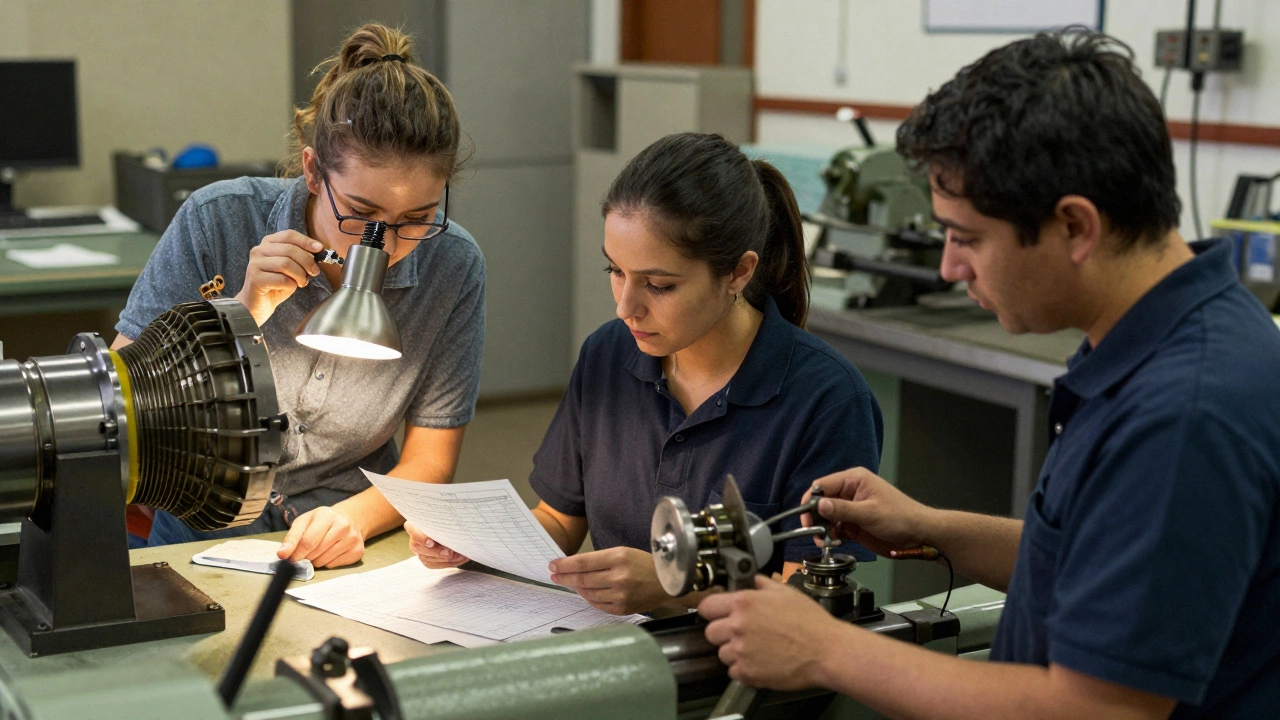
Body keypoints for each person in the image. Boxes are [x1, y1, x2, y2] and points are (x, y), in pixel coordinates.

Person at [698, 29, 1280, 719]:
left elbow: (1100, 710)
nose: (949, 267)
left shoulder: (1180, 413)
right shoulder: (1177, 335)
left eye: (966, 237)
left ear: (1075, 227)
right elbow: (1100, 564)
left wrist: (823, 649)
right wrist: (932, 528)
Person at [408, 132, 883, 615]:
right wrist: (477, 545)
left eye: (658, 285)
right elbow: (559, 519)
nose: (625, 307)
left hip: (742, 673)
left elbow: (810, 601)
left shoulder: (827, 400)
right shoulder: (608, 356)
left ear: (739, 273)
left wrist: (680, 591)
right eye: (614, 271)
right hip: (612, 651)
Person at [113, 23, 484, 569]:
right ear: (313, 172)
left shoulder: (451, 264)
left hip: (345, 534)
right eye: (361, 214)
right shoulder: (218, 219)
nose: (384, 243)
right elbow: (118, 405)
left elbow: (429, 461)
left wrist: (352, 520)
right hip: (201, 524)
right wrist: (238, 315)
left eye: (417, 218)